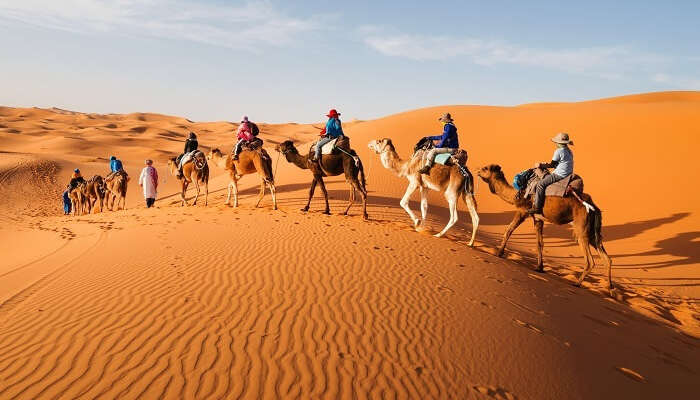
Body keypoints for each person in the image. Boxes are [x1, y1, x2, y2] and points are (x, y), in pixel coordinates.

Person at [527, 132, 574, 215]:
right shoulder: (569, 151)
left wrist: (540, 165)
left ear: (559, 143)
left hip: (560, 174)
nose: (555, 143)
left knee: (540, 184)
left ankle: (537, 207)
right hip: (568, 173)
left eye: (556, 142)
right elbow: (558, 163)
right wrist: (545, 164)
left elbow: (552, 165)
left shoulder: (558, 151)